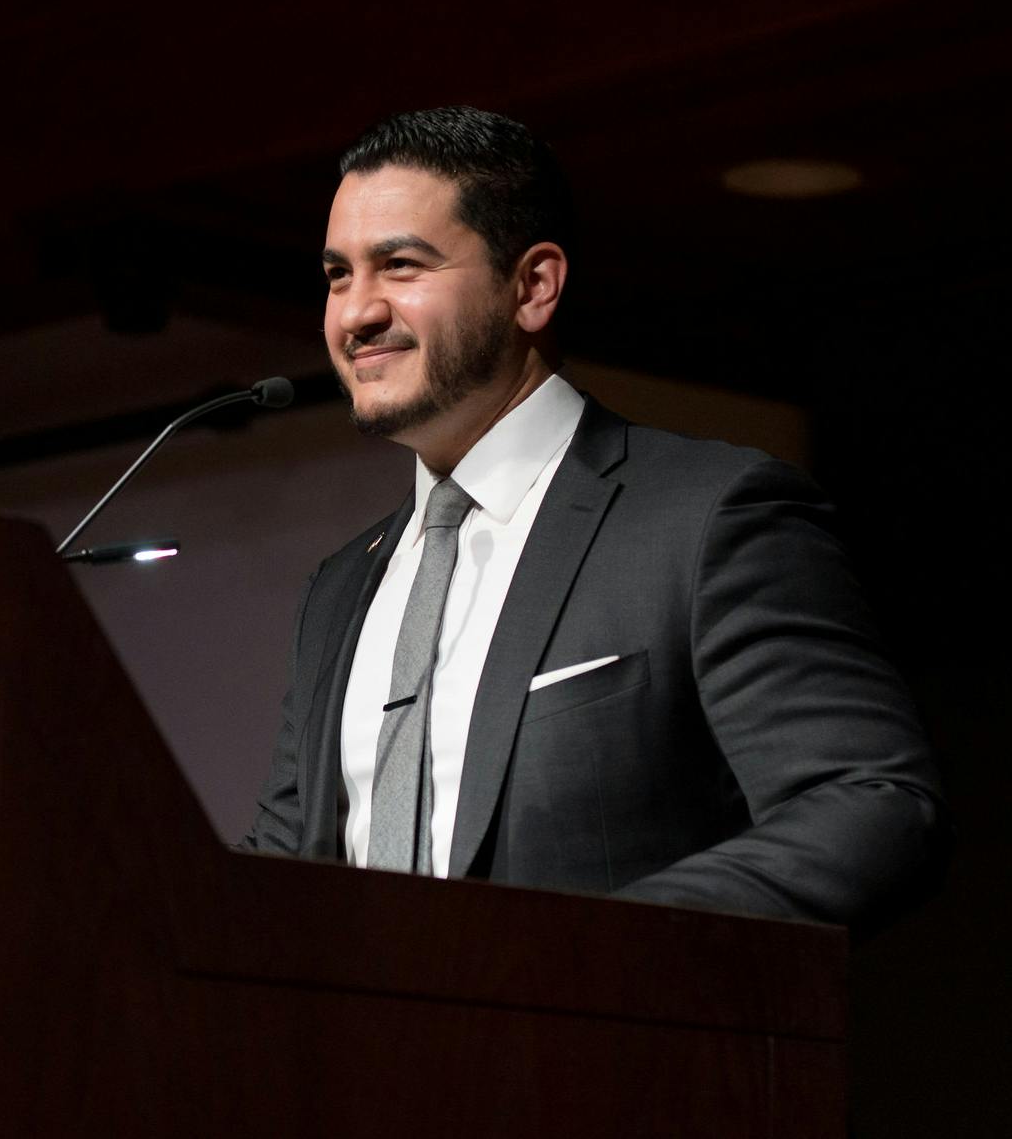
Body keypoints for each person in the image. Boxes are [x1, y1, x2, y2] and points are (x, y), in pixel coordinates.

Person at [243, 105, 948, 931]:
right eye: (338, 275)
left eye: (400, 266)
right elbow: (278, 871)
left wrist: (583, 953)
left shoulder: (705, 517)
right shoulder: (339, 587)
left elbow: (870, 803)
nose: (355, 313)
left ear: (533, 286)